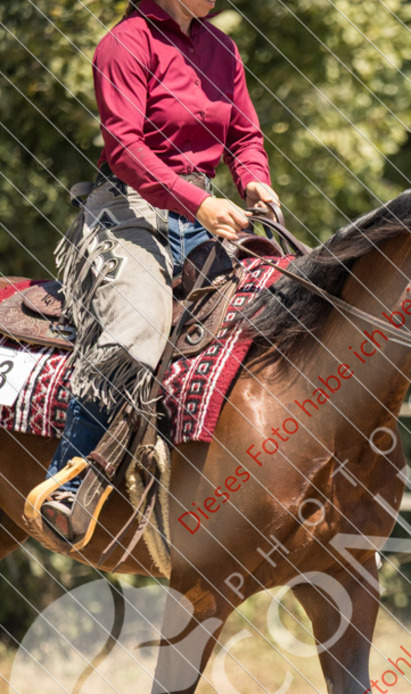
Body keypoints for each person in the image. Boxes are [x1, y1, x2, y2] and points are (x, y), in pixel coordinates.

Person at [41, 0, 278, 540]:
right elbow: (124, 148)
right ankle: (69, 479)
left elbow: (244, 138)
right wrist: (195, 202)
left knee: (276, 305)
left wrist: (255, 180)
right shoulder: (124, 42)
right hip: (129, 209)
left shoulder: (222, 48)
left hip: (208, 214)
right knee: (138, 329)